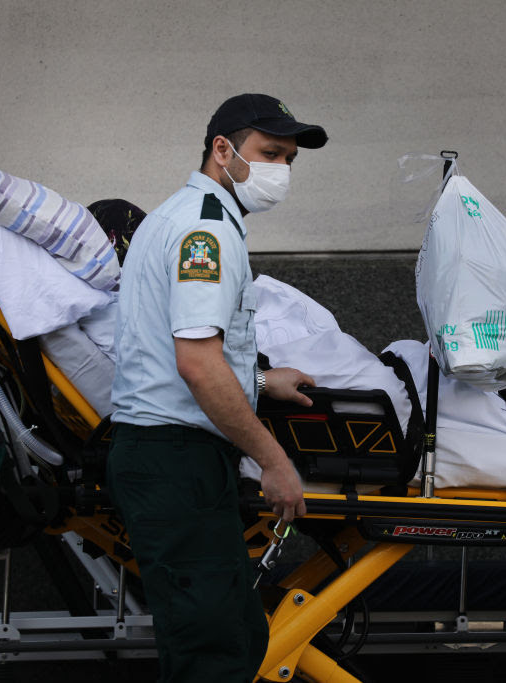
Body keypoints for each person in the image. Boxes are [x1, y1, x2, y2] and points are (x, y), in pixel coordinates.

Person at [107, 93, 328, 682]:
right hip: (175, 459)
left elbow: (167, 349)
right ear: (222, 150)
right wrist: (274, 461)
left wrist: (258, 379)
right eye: (270, 153)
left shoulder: (187, 214)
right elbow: (198, 367)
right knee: (215, 652)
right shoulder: (206, 234)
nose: (280, 170)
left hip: (167, 456)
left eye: (289, 159)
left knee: (224, 637)